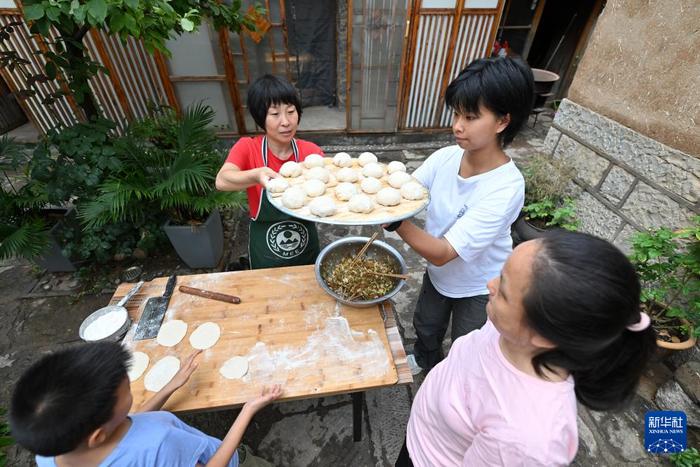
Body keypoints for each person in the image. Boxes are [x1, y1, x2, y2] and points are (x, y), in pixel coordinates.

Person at [396, 232, 656, 466]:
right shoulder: (510, 329)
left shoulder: (525, 440)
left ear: (543, 335)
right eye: (502, 271)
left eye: (504, 291)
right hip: (420, 437)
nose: (490, 284)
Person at [385, 57, 533, 372]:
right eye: (456, 113)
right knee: (426, 325)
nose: (457, 125)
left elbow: (443, 253)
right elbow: (406, 191)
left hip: (479, 285)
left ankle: (456, 384)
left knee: (468, 345)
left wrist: (398, 222)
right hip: (440, 277)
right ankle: (427, 362)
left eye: (470, 116)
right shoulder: (446, 157)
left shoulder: (506, 187)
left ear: (502, 122)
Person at [10, 343, 282, 466]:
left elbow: (128, 427)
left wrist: (171, 385)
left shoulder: (49, 452)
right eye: (127, 391)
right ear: (97, 435)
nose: (130, 385)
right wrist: (247, 410)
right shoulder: (158, 445)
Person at [216, 74, 324, 270]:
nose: (286, 121)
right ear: (260, 118)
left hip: (306, 248)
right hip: (266, 250)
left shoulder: (311, 153)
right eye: (275, 114)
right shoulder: (248, 148)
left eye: (291, 111)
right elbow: (222, 181)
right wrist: (255, 175)